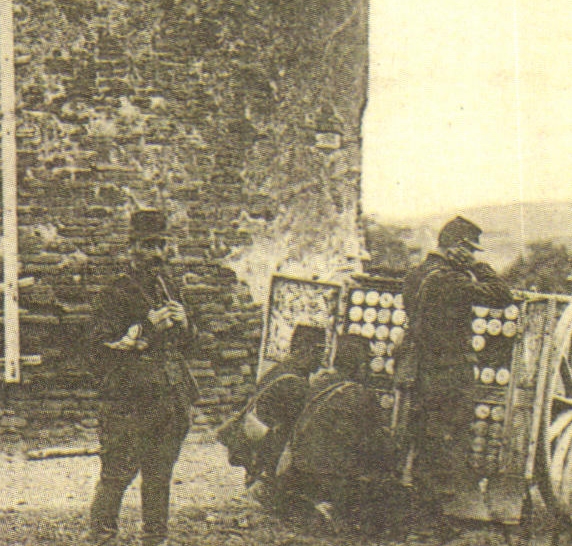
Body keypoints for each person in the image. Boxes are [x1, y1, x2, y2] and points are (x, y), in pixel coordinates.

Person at [86, 209, 198, 546]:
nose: (157, 253)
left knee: (159, 472)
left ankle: (155, 542)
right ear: (132, 247)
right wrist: (147, 327)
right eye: (149, 245)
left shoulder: (170, 286)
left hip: (170, 395)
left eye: (162, 245)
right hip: (129, 398)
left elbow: (192, 345)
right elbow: (97, 348)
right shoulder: (115, 292)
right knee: (117, 473)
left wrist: (185, 324)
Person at [397, 215, 512, 510]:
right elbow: (502, 295)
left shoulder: (415, 275)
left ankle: (420, 504)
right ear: (457, 247)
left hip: (420, 368)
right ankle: (438, 509)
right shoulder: (449, 279)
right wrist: (478, 267)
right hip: (448, 372)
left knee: (425, 436)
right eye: (470, 250)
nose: (472, 255)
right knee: (449, 438)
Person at [277, 332, 400, 527]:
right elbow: (375, 440)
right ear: (359, 364)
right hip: (331, 472)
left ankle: (312, 501)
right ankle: (337, 507)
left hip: (302, 465)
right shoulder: (359, 394)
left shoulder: (319, 383)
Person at [218, 324, 326, 490]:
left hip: (258, 448)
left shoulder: (280, 369)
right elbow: (294, 432)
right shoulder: (295, 383)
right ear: (308, 350)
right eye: (319, 351)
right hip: (269, 455)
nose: (321, 359)